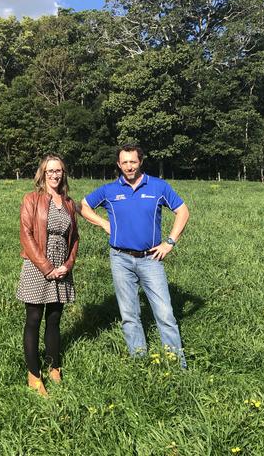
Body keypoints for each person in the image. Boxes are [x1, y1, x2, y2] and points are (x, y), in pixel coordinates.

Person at [80, 144, 189, 368]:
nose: (129, 167)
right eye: (125, 162)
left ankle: (176, 363)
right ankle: (139, 360)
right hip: (120, 258)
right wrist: (104, 224)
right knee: (129, 313)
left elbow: (182, 211)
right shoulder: (110, 191)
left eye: (133, 162)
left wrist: (169, 243)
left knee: (165, 313)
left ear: (140, 162)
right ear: (119, 165)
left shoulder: (158, 186)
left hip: (151, 259)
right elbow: (83, 206)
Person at [17, 154, 79, 396]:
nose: (55, 175)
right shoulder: (32, 199)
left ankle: (54, 366)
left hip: (61, 265)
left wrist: (68, 264)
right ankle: (34, 374)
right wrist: (46, 266)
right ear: (43, 173)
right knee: (33, 319)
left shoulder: (68, 203)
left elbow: (74, 239)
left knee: (54, 318)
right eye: (51, 171)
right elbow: (26, 234)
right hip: (37, 264)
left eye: (59, 171)